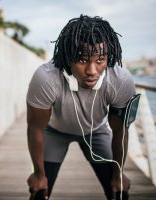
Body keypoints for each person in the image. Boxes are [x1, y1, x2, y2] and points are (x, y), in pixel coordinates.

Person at [26, 14, 137, 200]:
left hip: (97, 131)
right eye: (83, 60)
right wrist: (38, 174)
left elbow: (121, 132)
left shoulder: (120, 80)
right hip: (55, 132)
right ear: (68, 57)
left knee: (119, 191)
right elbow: (35, 128)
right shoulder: (46, 78)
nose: (92, 71)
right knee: (39, 191)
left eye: (100, 61)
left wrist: (119, 175)